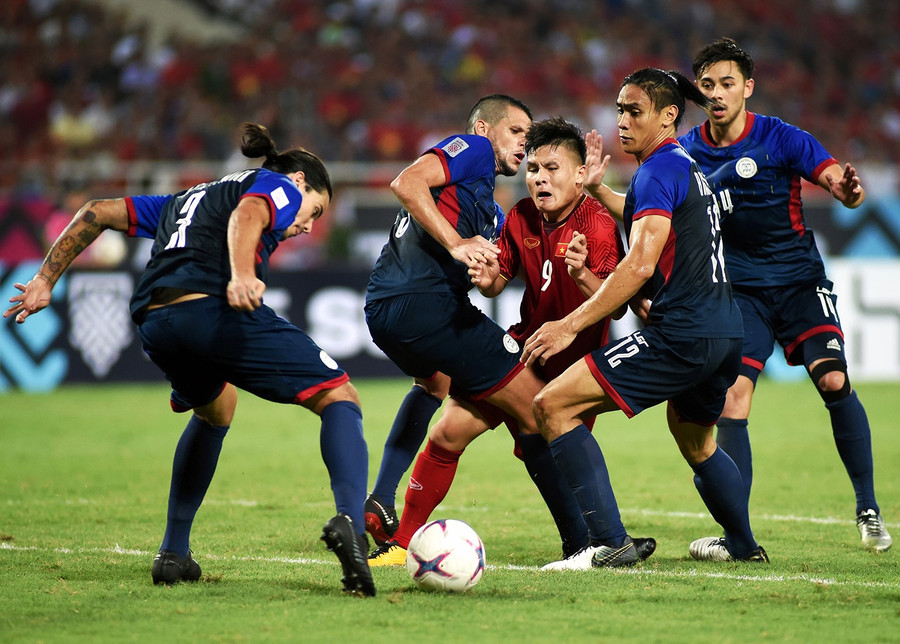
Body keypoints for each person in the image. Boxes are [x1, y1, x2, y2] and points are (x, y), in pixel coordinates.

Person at [4, 123, 377, 596]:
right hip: (211, 308)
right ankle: (352, 526)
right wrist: (242, 274)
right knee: (338, 394)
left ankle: (173, 553)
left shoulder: (184, 199)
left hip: (156, 322)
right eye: (315, 211)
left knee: (217, 406)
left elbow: (97, 212)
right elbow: (249, 213)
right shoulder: (280, 185)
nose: (307, 225)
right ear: (301, 182)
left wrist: (44, 279)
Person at [367, 116, 655, 566]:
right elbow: (497, 280)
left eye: (552, 168)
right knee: (447, 433)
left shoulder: (597, 223)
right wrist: (486, 278)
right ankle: (401, 542)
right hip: (526, 348)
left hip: (575, 362)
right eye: (534, 168)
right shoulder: (519, 215)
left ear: (580, 174)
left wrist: (581, 273)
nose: (540, 178)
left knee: (543, 433)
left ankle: (588, 543)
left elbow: (615, 307)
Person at [522, 68, 768, 569]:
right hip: (725, 332)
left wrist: (569, 324)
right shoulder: (683, 167)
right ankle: (743, 545)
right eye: (619, 109)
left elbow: (639, 262)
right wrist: (596, 189)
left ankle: (609, 543)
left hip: (681, 333)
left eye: (634, 111)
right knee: (695, 437)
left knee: (551, 406)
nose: (623, 120)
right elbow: (649, 214)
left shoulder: (658, 171)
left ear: (668, 116)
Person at [679, 37, 891, 555]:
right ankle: (738, 536)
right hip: (739, 292)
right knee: (734, 399)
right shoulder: (687, 150)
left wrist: (848, 189)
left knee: (834, 378)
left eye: (728, 83)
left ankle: (867, 509)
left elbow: (836, 177)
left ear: (748, 87)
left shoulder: (781, 137)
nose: (717, 93)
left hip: (799, 282)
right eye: (707, 85)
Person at [362, 94, 534, 545]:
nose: (524, 145)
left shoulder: (490, 209)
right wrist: (457, 244)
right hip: (424, 304)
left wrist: (486, 274)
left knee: (434, 384)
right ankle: (591, 534)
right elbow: (406, 182)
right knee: (535, 404)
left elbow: (485, 281)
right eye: (516, 132)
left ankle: (381, 498)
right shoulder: (472, 149)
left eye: (528, 139)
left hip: (384, 309)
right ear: (484, 129)